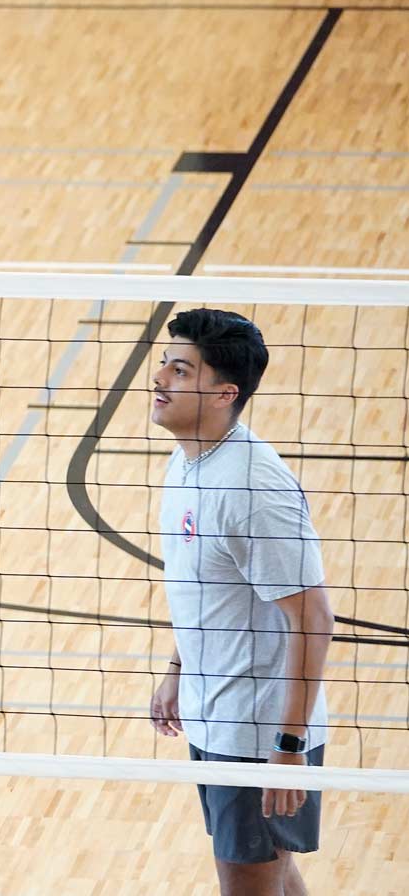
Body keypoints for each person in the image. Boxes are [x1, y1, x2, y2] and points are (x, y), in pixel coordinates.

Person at [147, 308, 335, 896]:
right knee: (270, 872)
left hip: (259, 734)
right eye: (164, 365)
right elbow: (207, 585)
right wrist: (179, 669)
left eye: (181, 370)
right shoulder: (190, 456)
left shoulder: (252, 489)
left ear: (225, 392)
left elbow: (314, 619)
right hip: (215, 710)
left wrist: (288, 748)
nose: (160, 380)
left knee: (248, 882)